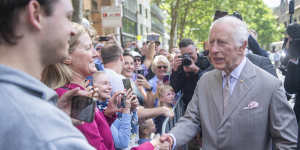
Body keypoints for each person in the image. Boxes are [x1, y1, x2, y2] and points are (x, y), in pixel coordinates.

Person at [161, 16, 298, 150]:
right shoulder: (205, 81)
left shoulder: (270, 86)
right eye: (211, 42)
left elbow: (286, 141)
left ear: (242, 46)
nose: (213, 50)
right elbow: (191, 120)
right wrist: (172, 138)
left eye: (221, 42)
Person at [0, 0, 95, 149]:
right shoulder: (51, 137)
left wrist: (56, 113)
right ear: (36, 14)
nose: (72, 31)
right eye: (68, 17)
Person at [170, 38, 212, 110]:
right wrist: (175, 70)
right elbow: (174, 89)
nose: (188, 57)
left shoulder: (206, 62)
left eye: (190, 53)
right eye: (185, 55)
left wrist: (196, 70)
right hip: (189, 107)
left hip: (207, 105)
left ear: (196, 50)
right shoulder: (180, 65)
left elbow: (210, 82)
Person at [284, 23, 300, 149]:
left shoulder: (295, 58)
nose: (286, 44)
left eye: (288, 40)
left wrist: (293, 61)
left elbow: (290, 87)